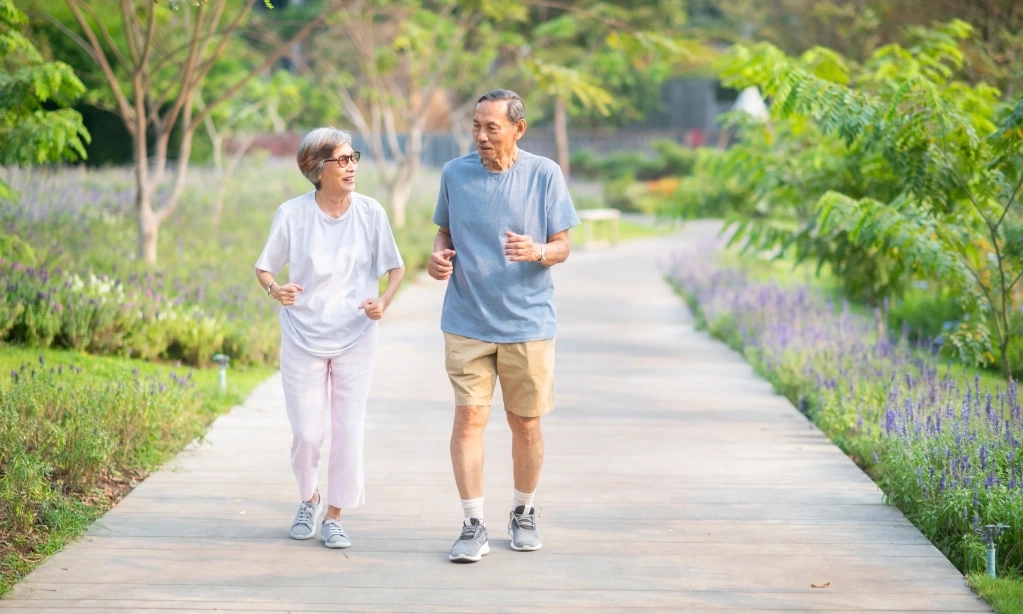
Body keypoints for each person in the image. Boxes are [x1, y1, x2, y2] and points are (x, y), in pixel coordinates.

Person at [429, 89, 580, 563]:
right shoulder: (455, 173)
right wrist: (437, 260)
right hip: (467, 318)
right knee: (469, 418)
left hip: (528, 321)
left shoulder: (544, 175)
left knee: (526, 423)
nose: (480, 136)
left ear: (518, 128)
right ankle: (473, 524)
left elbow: (563, 246)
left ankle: (523, 512)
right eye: (476, 126)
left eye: (491, 127)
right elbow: (444, 232)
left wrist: (536, 251)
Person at [255, 126, 405, 549]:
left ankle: (335, 515)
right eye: (342, 160)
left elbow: (396, 268)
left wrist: (384, 302)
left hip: (356, 336)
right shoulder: (292, 214)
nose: (351, 166)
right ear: (316, 169)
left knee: (347, 429)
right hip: (303, 335)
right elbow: (265, 268)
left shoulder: (371, 212)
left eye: (353, 157)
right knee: (307, 432)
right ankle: (310, 498)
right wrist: (275, 290)